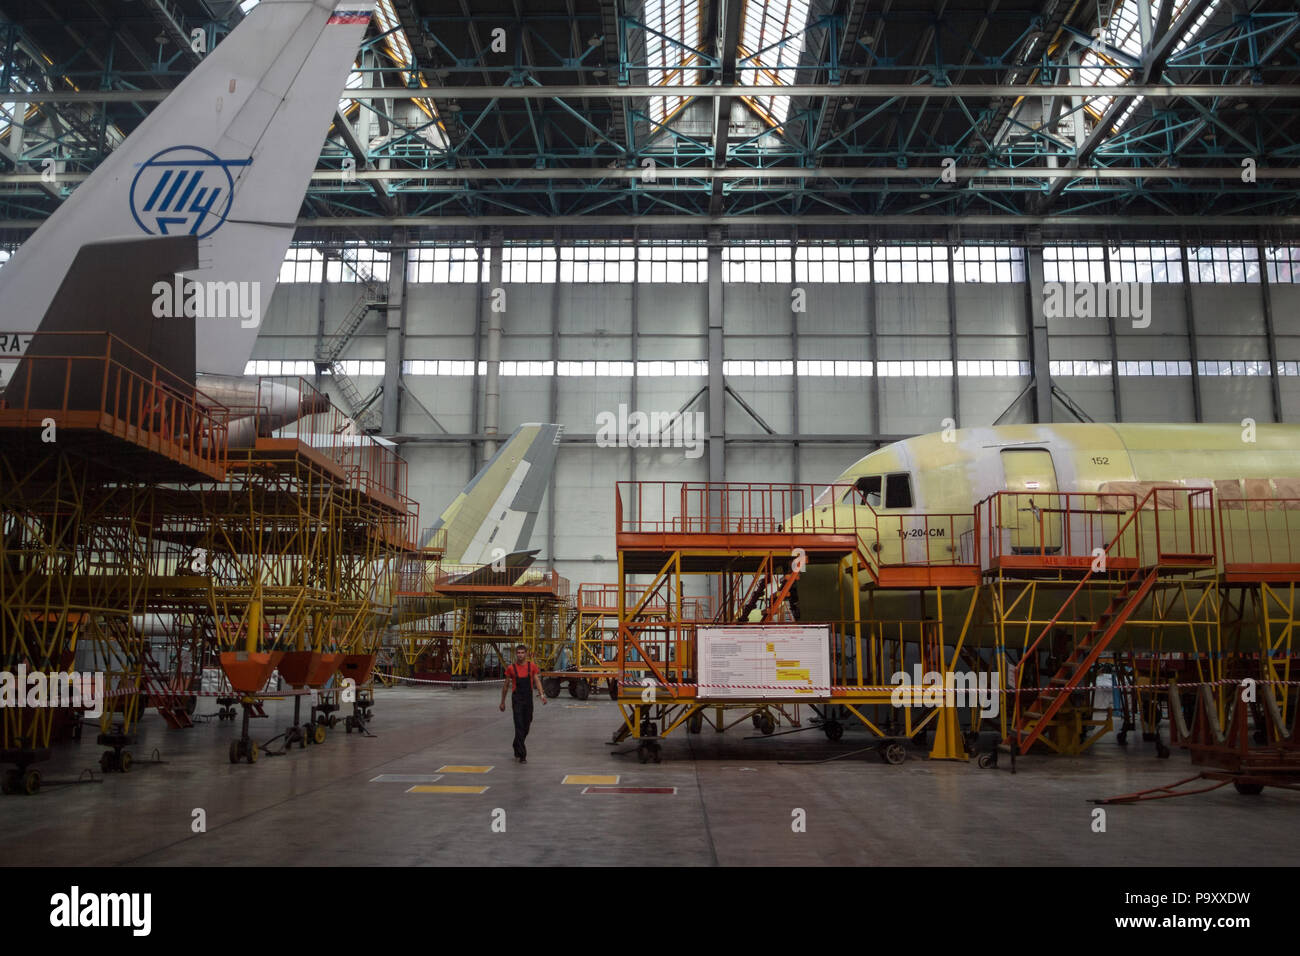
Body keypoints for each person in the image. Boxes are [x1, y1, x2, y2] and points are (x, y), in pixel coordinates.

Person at [499, 644, 546, 762]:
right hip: (517, 700)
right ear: (516, 654)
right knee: (519, 725)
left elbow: (537, 681)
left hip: (528, 700)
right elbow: (505, 686)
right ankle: (522, 754)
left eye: (522, 653)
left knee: (526, 725)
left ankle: (516, 744)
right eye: (518, 653)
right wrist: (502, 702)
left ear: (526, 654)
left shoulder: (532, 666)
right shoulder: (511, 668)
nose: (520, 655)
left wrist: (542, 695)